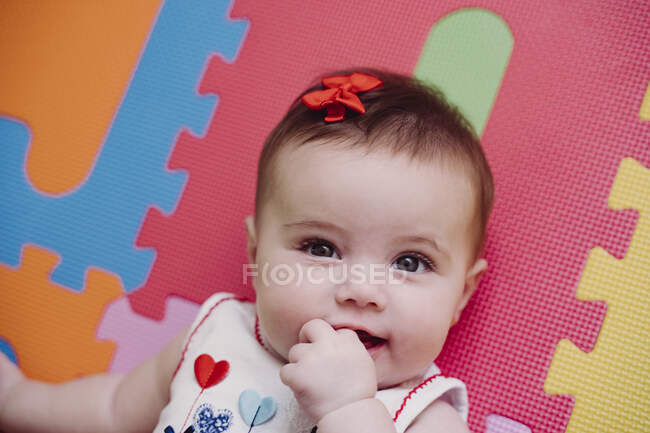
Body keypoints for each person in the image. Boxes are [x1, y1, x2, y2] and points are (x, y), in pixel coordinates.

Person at [0, 68, 494, 433]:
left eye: (410, 262)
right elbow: (112, 410)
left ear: (461, 295)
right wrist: (19, 398)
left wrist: (350, 411)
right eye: (320, 247)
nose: (361, 290)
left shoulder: (425, 415)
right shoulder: (215, 334)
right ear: (258, 258)